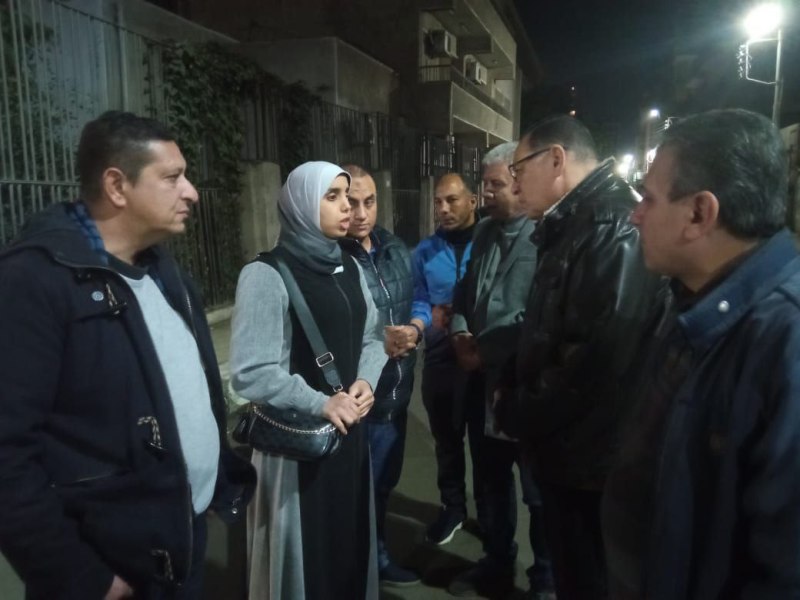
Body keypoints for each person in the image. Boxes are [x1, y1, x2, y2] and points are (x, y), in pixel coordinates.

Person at [0, 111, 256, 599]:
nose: (192, 192)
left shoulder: (165, 271)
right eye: (173, 177)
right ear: (117, 186)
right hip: (108, 570)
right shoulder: (33, 282)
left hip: (181, 539)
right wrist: (80, 576)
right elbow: (7, 455)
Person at [604, 108, 800, 599]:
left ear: (699, 214)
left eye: (648, 198)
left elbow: (781, 572)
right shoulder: (689, 296)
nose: (635, 214)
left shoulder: (786, 340)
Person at [496, 115, 662, 600]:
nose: (513, 184)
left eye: (518, 169)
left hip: (592, 460)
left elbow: (594, 360)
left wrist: (518, 409)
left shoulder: (610, 225)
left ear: (556, 159)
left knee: (589, 578)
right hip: (573, 452)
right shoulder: (575, 222)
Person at [230, 161, 386, 600]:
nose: (347, 207)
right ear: (300, 204)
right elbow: (251, 371)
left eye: (347, 196)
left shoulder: (349, 266)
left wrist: (367, 380)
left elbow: (372, 335)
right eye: (332, 196)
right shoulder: (265, 274)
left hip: (349, 437)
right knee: (308, 558)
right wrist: (321, 402)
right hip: (296, 448)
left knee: (346, 547)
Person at [448, 142, 555, 600]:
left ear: (518, 181)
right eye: (484, 183)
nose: (485, 193)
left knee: (537, 493)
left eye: (495, 184)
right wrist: (458, 330)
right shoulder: (484, 231)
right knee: (490, 482)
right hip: (481, 382)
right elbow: (465, 289)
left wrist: (484, 350)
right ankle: (496, 561)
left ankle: (545, 579)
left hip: (525, 385)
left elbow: (541, 314)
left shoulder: (547, 235)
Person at [338, 164, 420, 587]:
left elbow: (418, 297)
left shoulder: (395, 248)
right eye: (351, 202)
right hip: (356, 404)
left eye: (369, 202)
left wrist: (416, 328)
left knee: (383, 486)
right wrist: (369, 346)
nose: (361, 213)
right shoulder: (329, 258)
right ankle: (360, 569)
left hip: (396, 396)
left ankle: (374, 557)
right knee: (355, 495)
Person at [407, 172, 484, 546]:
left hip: (484, 360)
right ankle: (453, 508)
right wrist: (423, 319)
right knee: (447, 441)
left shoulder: (491, 243)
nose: (443, 208)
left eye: (452, 200)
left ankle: (491, 516)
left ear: (472, 201)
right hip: (440, 358)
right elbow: (418, 297)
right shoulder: (423, 252)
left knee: (487, 447)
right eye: (438, 201)